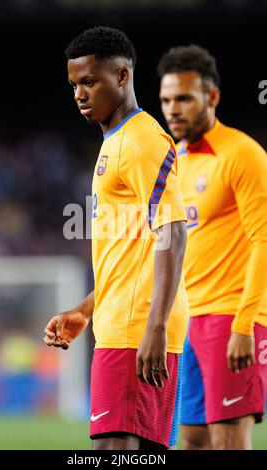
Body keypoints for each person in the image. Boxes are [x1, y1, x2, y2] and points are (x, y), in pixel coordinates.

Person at [44, 26, 189, 450]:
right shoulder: (115, 143)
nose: (79, 94)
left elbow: (173, 231)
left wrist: (156, 327)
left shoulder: (142, 140)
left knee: (113, 451)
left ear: (122, 77)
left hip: (137, 330)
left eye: (90, 81)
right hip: (122, 327)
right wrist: (87, 309)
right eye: (74, 85)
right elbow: (131, 250)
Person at [158, 44, 267, 450]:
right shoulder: (176, 162)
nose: (173, 109)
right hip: (186, 321)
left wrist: (244, 325)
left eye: (184, 98)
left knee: (228, 439)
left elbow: (264, 240)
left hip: (231, 318)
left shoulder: (242, 154)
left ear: (212, 97)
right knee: (192, 438)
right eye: (167, 100)